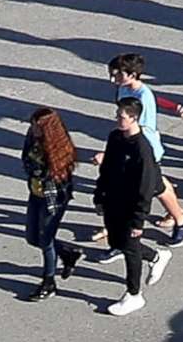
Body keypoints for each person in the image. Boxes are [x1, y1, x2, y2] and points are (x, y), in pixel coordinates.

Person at [94, 96, 174, 314]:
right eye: (117, 115)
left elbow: (145, 189)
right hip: (113, 201)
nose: (117, 120)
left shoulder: (142, 150)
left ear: (134, 119)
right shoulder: (115, 137)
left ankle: (133, 295)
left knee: (129, 249)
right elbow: (107, 168)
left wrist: (139, 220)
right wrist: (99, 195)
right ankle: (156, 256)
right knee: (119, 241)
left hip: (130, 207)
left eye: (121, 117)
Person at [103, 53, 183, 242]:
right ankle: (178, 216)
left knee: (154, 186)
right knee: (157, 184)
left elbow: (138, 128)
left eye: (118, 75)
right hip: (134, 146)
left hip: (145, 149)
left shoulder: (143, 96)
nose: (113, 79)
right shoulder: (125, 89)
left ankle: (182, 220)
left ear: (133, 74)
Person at [19, 107, 84, 300]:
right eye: (32, 125)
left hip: (52, 198)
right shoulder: (32, 137)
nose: (33, 129)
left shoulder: (59, 148)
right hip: (35, 193)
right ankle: (67, 252)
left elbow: (54, 177)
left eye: (37, 127)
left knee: (46, 240)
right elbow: (25, 158)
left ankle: (49, 282)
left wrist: (38, 173)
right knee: (32, 237)